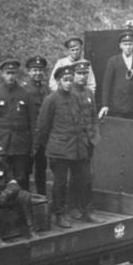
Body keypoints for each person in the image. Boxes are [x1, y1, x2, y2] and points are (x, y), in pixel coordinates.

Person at [34, 65, 89, 229]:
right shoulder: (51, 100)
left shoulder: (75, 98)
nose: (69, 83)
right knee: (60, 183)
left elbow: (80, 121)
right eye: (65, 80)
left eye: (71, 80)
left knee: (82, 178)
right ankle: (59, 214)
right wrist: (48, 148)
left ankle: (76, 209)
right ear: (58, 81)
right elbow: (43, 127)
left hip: (76, 148)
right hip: (59, 149)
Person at [0, 59, 34, 191]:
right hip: (0, 143)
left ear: (17, 74)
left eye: (13, 73)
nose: (11, 76)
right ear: (2, 74)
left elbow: (32, 122)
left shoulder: (25, 94)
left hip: (21, 144)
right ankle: (2, 209)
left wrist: (33, 145)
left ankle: (22, 207)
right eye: (8, 73)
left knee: (21, 177)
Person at [71, 60, 99, 222]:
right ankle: (76, 207)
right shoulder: (70, 93)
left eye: (85, 74)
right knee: (77, 176)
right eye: (80, 74)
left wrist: (94, 137)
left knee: (86, 176)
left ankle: (86, 208)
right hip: (74, 142)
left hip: (88, 142)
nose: (82, 77)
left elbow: (93, 116)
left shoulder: (88, 93)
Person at [99, 30, 133, 120]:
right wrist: (105, 105)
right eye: (125, 45)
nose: (128, 47)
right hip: (119, 105)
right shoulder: (113, 61)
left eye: (130, 44)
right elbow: (107, 84)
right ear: (120, 46)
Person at [21, 56, 50, 196]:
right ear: (28, 72)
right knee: (25, 169)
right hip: (28, 135)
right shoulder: (23, 90)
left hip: (42, 136)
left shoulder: (46, 89)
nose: (37, 73)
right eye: (34, 70)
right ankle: (24, 197)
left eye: (40, 70)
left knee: (41, 168)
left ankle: (42, 197)